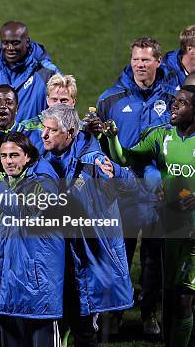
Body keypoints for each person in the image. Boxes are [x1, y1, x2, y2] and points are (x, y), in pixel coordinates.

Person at [94, 37, 177, 334]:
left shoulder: (173, 98)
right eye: (136, 60)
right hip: (123, 191)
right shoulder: (110, 99)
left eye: (145, 60)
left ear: (158, 62)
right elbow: (97, 145)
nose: (140, 65)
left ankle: (148, 312)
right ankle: (115, 312)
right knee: (120, 253)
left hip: (158, 192)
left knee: (154, 257)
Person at [106, 85, 195, 347]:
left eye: (182, 103)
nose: (174, 106)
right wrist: (113, 137)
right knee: (170, 295)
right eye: (174, 102)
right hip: (171, 228)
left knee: (184, 298)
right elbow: (125, 157)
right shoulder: (161, 136)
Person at [40, 104, 134, 347]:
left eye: (51, 130)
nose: (44, 135)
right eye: (44, 128)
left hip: (85, 259)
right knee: (53, 325)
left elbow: (130, 187)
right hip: (58, 255)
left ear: (70, 133)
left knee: (83, 328)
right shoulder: (45, 155)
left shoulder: (95, 162)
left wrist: (116, 172)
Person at [0, 132, 65, 347]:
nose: (8, 161)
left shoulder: (43, 181)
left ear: (28, 157)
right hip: (7, 292)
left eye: (14, 155)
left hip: (37, 294)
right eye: (4, 156)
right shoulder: (1, 182)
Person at [0, 21, 60, 126]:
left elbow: (61, 112)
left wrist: (30, 133)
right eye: (5, 43)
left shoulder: (48, 73)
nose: (10, 48)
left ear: (27, 42)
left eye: (15, 43)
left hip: (31, 141)